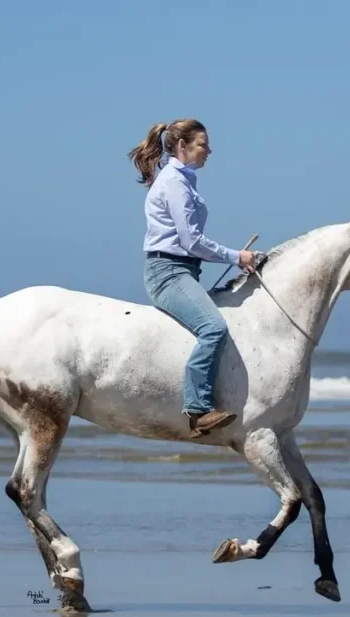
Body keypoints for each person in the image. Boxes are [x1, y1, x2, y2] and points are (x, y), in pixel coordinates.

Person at [128, 118, 260, 438]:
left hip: (182, 270)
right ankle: (198, 410)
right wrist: (237, 257)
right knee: (213, 328)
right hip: (168, 273)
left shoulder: (183, 181)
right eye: (203, 144)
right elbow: (192, 242)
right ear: (182, 146)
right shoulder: (174, 182)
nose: (209, 151)